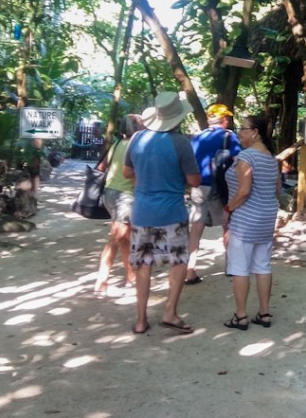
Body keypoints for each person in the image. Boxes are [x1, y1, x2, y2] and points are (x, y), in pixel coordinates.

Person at [124, 91, 201, 335]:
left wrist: (147, 179)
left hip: (142, 212)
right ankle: (170, 313)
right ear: (178, 118)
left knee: (143, 265)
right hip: (172, 213)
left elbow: (127, 173)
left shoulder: (137, 138)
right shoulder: (181, 143)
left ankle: (140, 320)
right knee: (178, 261)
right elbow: (194, 180)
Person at [222, 114, 281, 330]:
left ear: (255, 132)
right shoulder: (271, 158)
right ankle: (264, 313)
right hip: (266, 219)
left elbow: (244, 191)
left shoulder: (247, 156)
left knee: (240, 268)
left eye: (243, 128)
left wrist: (228, 209)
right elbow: (277, 190)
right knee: (263, 265)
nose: (240, 132)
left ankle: (241, 316)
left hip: (245, 220)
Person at [185, 103, 240, 284]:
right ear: (224, 119)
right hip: (219, 186)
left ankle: (190, 271)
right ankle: (231, 266)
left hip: (198, 186)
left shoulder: (197, 136)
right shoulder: (229, 136)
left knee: (196, 228)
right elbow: (237, 160)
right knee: (227, 224)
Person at [93, 114, 144, 295]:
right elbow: (135, 173)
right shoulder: (136, 146)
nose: (145, 126)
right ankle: (101, 281)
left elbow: (101, 168)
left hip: (110, 193)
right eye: (142, 123)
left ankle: (131, 277)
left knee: (125, 238)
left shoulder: (116, 144)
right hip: (125, 196)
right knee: (116, 238)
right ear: (135, 128)